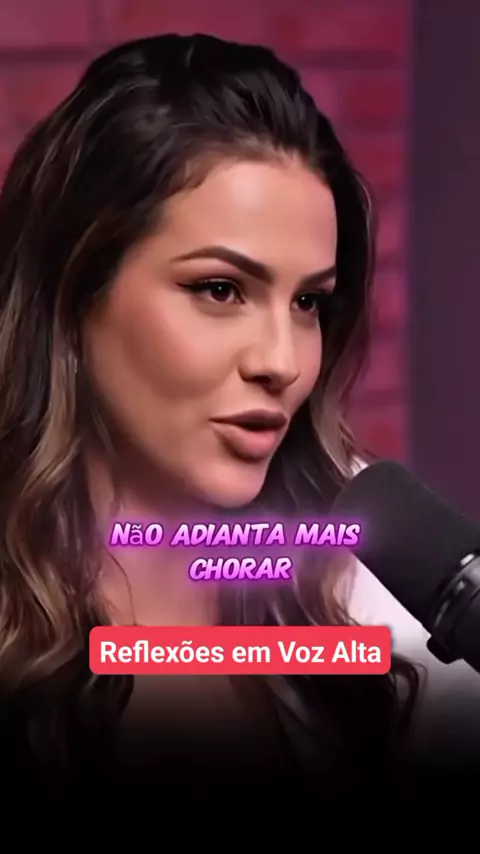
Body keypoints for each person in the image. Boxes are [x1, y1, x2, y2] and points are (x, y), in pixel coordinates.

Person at [0, 32, 419, 783]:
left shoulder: (354, 597)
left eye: (309, 303)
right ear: (75, 294)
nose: (282, 362)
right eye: (220, 290)